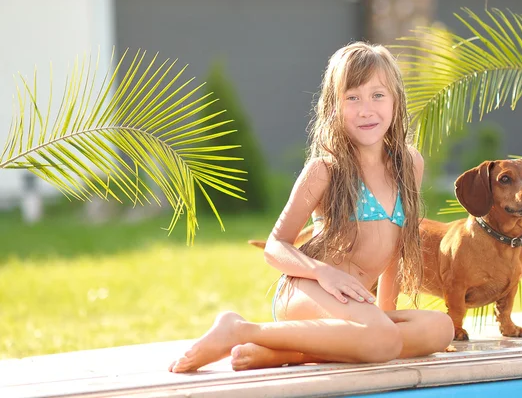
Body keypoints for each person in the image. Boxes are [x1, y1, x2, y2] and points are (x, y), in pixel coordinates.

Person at [169, 41, 454, 373]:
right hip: (310, 292)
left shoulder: (409, 164)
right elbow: (275, 247)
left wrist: (383, 314)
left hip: (355, 308)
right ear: (334, 106)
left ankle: (281, 353)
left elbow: (395, 252)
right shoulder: (325, 170)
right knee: (384, 340)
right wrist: (324, 273)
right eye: (353, 98)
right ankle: (240, 330)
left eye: (378, 95)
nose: (366, 109)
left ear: (396, 101)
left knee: (439, 328)